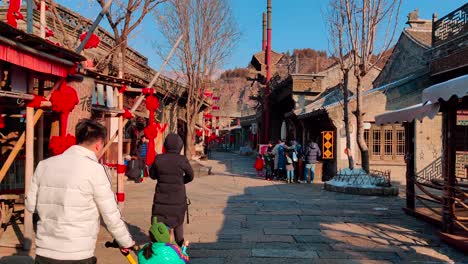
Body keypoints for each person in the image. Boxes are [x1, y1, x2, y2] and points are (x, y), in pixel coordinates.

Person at [25, 119, 134, 264]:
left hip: (45, 250)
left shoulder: (44, 165)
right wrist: (125, 241)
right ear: (98, 145)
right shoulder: (95, 170)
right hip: (77, 253)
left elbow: (30, 205)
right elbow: (110, 214)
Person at [149, 133, 194, 247]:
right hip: (178, 198)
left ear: (166, 145)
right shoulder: (182, 160)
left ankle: (159, 249)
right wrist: (180, 181)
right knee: (178, 223)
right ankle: (180, 247)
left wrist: (162, 178)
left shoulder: (159, 159)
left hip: (161, 199)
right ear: (180, 146)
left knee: (160, 223)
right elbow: (191, 175)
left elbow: (152, 175)